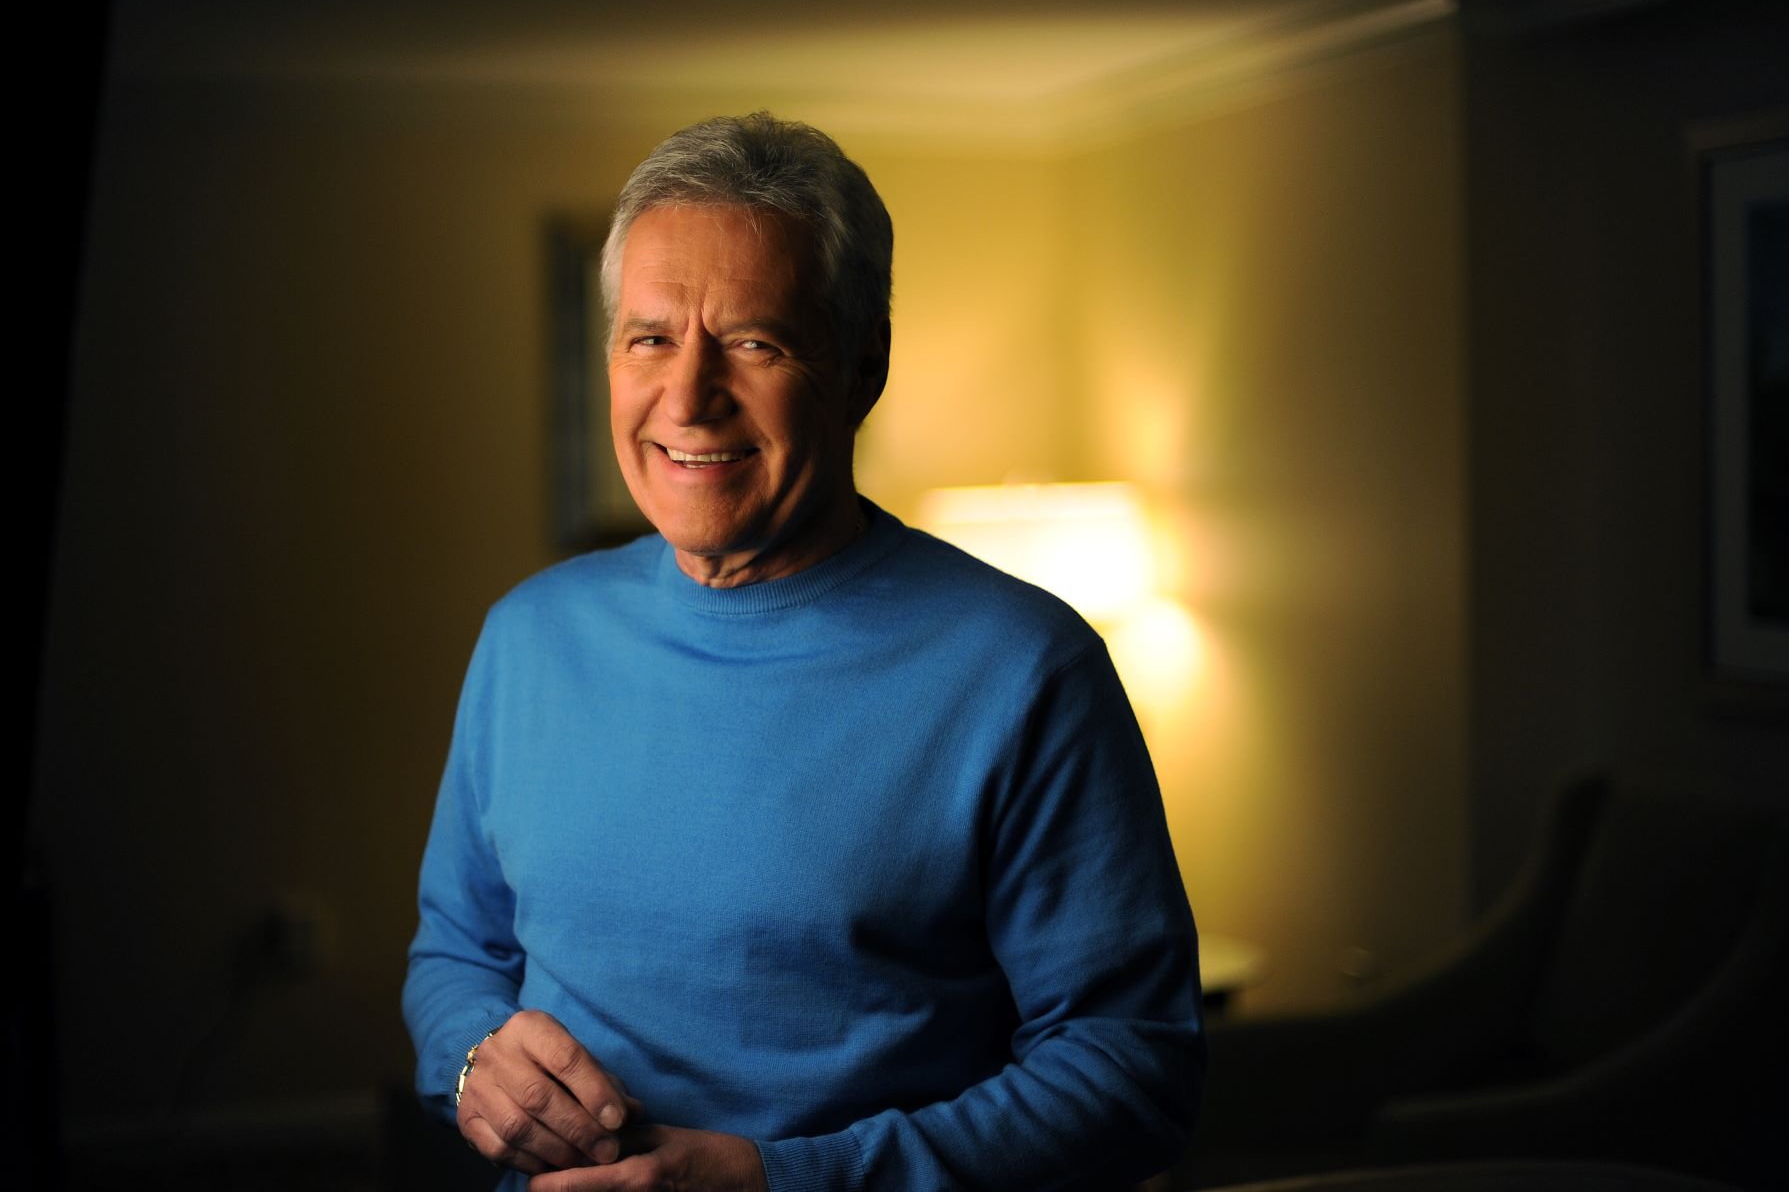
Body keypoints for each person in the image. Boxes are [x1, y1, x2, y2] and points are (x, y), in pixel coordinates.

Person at [403, 111, 1205, 1192]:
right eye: (650, 337)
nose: (688, 397)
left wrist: (784, 1180)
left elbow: (1132, 1065)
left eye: (754, 341)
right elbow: (458, 951)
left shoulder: (1023, 670)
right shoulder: (528, 637)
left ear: (860, 366)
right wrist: (468, 1068)